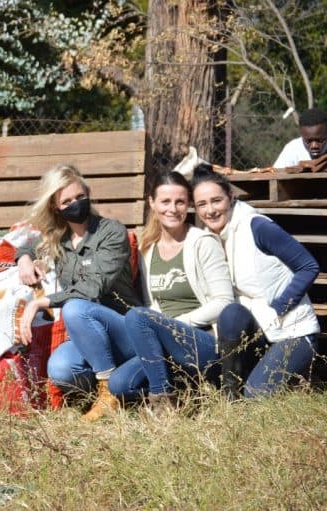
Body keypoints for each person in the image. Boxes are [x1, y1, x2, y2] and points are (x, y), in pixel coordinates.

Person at [15, 164, 144, 421]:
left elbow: (93, 288)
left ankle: (110, 393)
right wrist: (24, 260)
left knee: (75, 307)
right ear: (56, 208)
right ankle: (116, 388)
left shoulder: (112, 232)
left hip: (125, 329)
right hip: (89, 336)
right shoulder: (58, 238)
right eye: (67, 201)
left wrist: (40, 303)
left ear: (88, 194)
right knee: (60, 368)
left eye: (80, 197)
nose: (76, 204)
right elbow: (27, 246)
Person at [191, 166, 320, 398]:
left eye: (216, 200)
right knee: (231, 312)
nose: (210, 210)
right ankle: (229, 397)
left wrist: (281, 307)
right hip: (262, 330)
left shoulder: (257, 227)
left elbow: (308, 266)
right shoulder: (209, 238)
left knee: (256, 396)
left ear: (231, 197)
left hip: (293, 331)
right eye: (202, 204)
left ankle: (290, 381)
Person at [117, 171, 234, 414]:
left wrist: (175, 324)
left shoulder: (203, 242)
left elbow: (224, 302)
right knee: (121, 385)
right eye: (165, 202)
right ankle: (186, 391)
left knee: (138, 316)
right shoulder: (147, 248)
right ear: (152, 203)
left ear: (189, 204)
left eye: (180, 202)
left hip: (201, 340)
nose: (173, 209)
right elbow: (153, 304)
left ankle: (163, 404)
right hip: (164, 342)